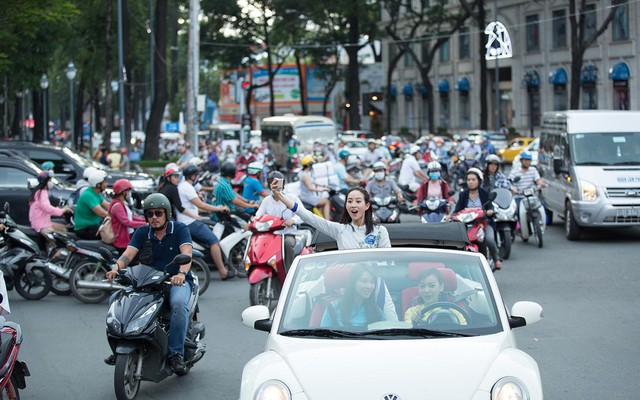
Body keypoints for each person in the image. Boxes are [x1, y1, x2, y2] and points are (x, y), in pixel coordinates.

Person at [271, 184, 397, 320]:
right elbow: (308, 216)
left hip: (375, 287)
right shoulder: (340, 230)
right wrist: (280, 196)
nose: (353, 205)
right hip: (348, 289)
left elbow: (388, 262)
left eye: (358, 201)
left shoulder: (380, 231)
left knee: (392, 322)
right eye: (350, 201)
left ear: (367, 206)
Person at [105, 193, 194, 374]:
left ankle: (175, 354)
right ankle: (120, 346)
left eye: (158, 213)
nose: (154, 217)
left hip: (174, 281)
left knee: (178, 304)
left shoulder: (179, 229)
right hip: (146, 282)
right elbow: (128, 255)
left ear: (166, 213)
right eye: (150, 214)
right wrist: (115, 268)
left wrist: (181, 274)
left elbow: (187, 253)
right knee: (116, 300)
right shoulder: (142, 232)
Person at [176, 164, 238, 280]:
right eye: (196, 175)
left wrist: (209, 210)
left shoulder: (184, 186)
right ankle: (223, 271)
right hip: (190, 222)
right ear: (193, 176)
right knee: (214, 241)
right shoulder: (187, 187)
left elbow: (195, 207)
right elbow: (199, 204)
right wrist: (219, 208)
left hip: (191, 219)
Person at [452, 168, 502, 270]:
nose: (470, 182)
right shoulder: (463, 194)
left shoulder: (485, 193)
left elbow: (490, 206)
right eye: (469, 179)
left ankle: (496, 260)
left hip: (484, 223)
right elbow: (457, 209)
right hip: (466, 225)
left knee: (489, 240)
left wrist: (489, 212)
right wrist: (451, 216)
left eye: (473, 179)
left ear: (479, 180)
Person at [252, 171, 302, 273]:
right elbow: (258, 216)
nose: (275, 185)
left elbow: (302, 213)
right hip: (271, 235)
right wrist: (251, 223)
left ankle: (289, 272)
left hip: (287, 234)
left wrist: (292, 220)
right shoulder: (266, 200)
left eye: (278, 183)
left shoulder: (291, 198)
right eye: (272, 183)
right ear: (269, 184)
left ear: (283, 184)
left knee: (288, 244)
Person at [320, 265, 386, 328]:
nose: (369, 286)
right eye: (364, 281)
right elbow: (322, 336)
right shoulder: (333, 308)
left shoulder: (376, 311)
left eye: (372, 282)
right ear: (353, 283)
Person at [28, 171, 73, 243]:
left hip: (41, 223)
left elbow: (45, 208)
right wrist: (62, 210)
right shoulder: (42, 193)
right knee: (59, 243)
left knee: (64, 228)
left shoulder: (38, 192)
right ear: (45, 182)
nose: (51, 182)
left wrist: (59, 209)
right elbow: (47, 208)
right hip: (41, 225)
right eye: (50, 180)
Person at [109, 179, 146, 253]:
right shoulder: (118, 206)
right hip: (121, 239)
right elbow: (126, 222)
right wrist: (145, 224)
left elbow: (131, 217)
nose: (130, 193)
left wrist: (146, 220)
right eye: (128, 191)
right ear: (123, 192)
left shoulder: (123, 203)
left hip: (128, 235)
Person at [74, 168, 110, 239]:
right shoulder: (88, 195)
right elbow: (102, 213)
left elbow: (108, 206)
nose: (107, 184)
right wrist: (118, 216)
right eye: (105, 182)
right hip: (85, 229)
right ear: (98, 185)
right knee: (110, 236)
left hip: (92, 227)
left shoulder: (95, 193)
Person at [298, 156, 331, 220]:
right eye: (312, 164)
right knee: (327, 201)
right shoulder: (304, 175)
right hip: (307, 197)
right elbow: (310, 188)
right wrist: (322, 190)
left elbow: (313, 181)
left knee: (322, 201)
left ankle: (322, 219)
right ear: (309, 165)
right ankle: (328, 221)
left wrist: (323, 185)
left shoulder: (303, 173)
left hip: (306, 196)